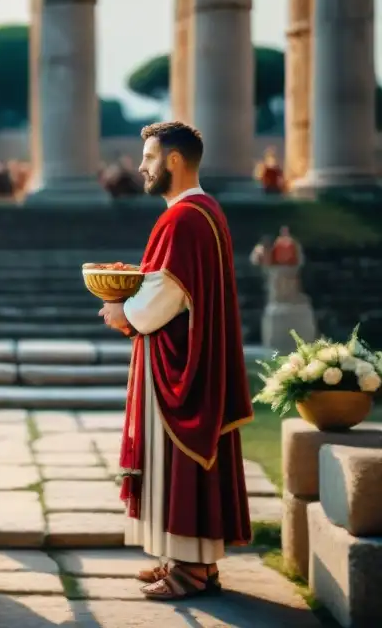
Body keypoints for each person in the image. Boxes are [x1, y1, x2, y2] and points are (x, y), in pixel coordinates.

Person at [98, 121, 253, 601]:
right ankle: (187, 561)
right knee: (178, 467)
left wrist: (121, 311)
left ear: (173, 160)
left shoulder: (184, 218)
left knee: (177, 463)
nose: (141, 167)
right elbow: (171, 282)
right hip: (190, 355)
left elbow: (165, 295)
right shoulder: (205, 212)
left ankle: (190, 570)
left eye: (148, 157)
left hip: (178, 365)